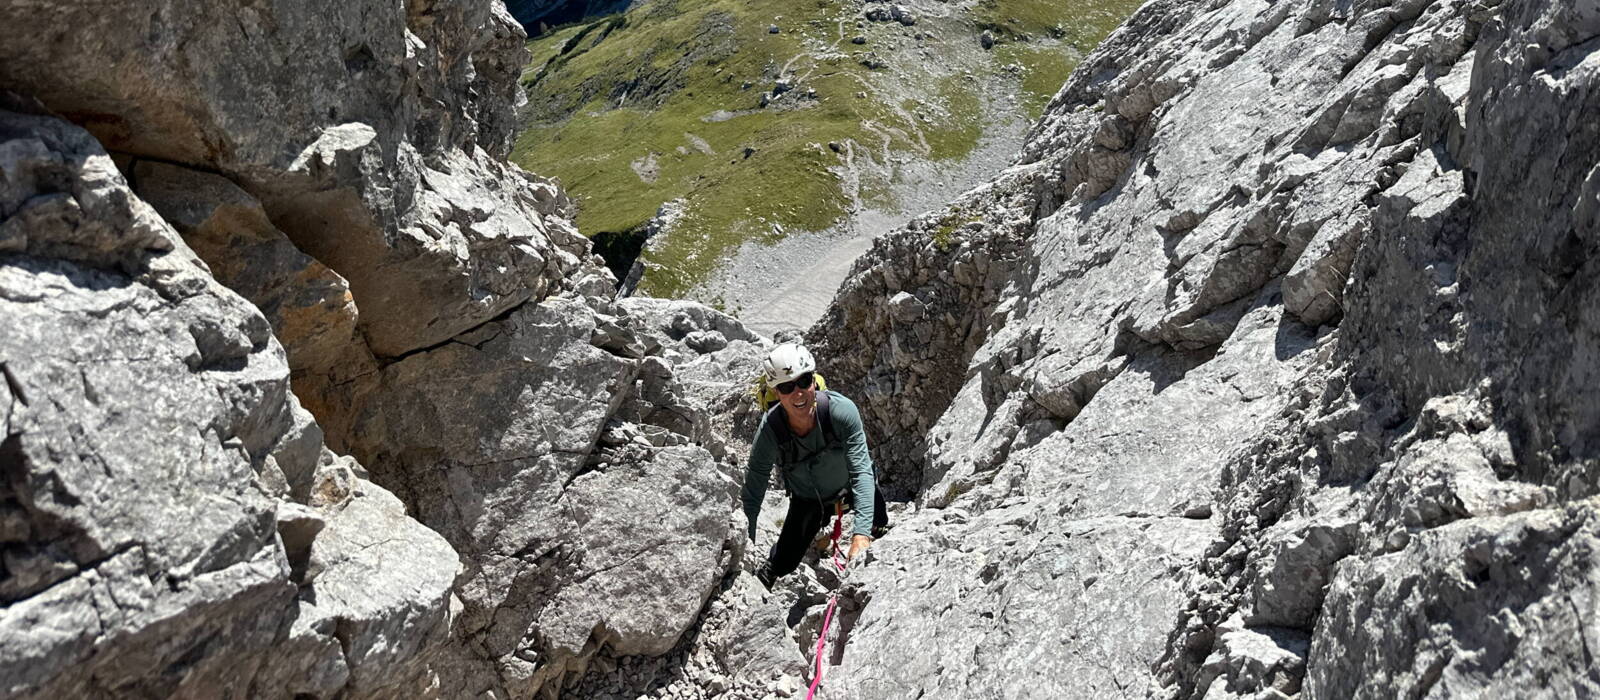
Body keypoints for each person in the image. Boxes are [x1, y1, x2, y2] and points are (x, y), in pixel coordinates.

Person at [742, 342, 887, 589]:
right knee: (783, 562)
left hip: (851, 485)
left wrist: (861, 534)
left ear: (814, 380)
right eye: (787, 387)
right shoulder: (770, 430)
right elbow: (753, 491)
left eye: (804, 381)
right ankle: (767, 574)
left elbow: (861, 470)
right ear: (776, 392)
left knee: (878, 526)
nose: (798, 392)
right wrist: (743, 548)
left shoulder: (840, 411)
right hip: (808, 499)